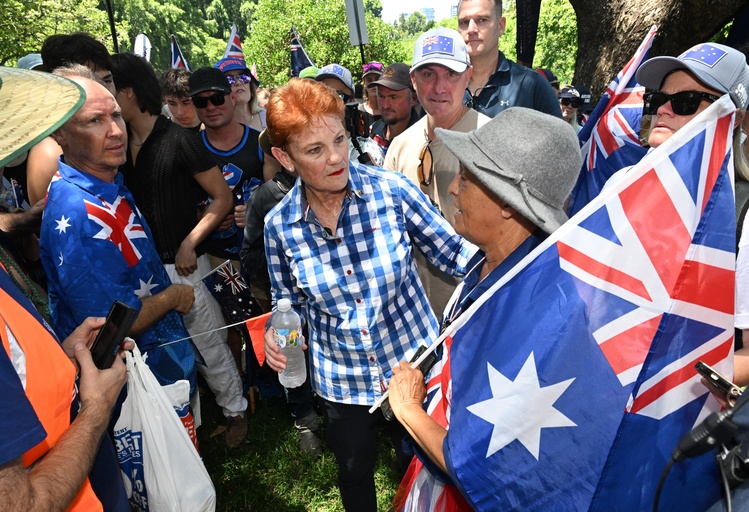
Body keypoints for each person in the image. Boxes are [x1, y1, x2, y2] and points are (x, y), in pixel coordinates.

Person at [261, 78, 476, 512]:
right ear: (285, 158)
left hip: (413, 363)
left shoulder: (392, 192)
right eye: (315, 149)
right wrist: (277, 334)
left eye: (339, 139)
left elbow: (457, 254)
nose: (336, 157)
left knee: (422, 467)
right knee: (354, 471)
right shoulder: (279, 228)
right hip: (342, 381)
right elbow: (288, 303)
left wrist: (516, 260)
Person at [387, 107, 582, 510]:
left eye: (466, 177)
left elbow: (476, 466)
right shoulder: (489, 262)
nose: (452, 188)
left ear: (509, 203)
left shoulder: (529, 317)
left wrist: (407, 409)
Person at [0, 66, 131, 512]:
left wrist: (62, 355)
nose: (115, 131)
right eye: (94, 120)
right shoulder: (72, 206)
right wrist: (95, 411)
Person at [111, 53, 249, 448]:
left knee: (208, 343)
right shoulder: (117, 148)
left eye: (109, 86)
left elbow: (222, 197)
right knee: (160, 351)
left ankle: (235, 411)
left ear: (129, 92)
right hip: (141, 272)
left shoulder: (181, 140)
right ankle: (182, 424)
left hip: (184, 266)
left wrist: (190, 242)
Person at [39, 66, 197, 397]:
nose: (116, 131)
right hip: (134, 384)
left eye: (115, 115)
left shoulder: (106, 181)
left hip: (162, 363)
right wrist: (173, 296)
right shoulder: (78, 214)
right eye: (94, 121)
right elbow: (111, 322)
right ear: (59, 133)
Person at [385, 27, 490, 317]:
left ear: (468, 76)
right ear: (413, 80)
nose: (439, 87)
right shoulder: (399, 147)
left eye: (451, 74)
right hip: (414, 314)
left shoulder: (491, 140)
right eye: (428, 74)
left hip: (475, 309)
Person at [26, 33, 116, 206]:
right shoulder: (51, 152)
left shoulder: (115, 134)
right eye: (92, 83)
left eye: (108, 80)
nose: (104, 90)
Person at [458, 0, 561, 118]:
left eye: (482, 20)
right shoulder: (445, 84)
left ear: (500, 26)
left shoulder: (532, 85)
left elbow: (558, 130)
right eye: (464, 22)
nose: (471, 29)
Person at [368, 63, 421, 156]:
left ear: (413, 99)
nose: (385, 105)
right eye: (381, 96)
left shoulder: (422, 140)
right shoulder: (373, 130)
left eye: (394, 97)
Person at [215, 56, 265, 131]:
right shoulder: (215, 126)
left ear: (251, 86)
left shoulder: (269, 118)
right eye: (229, 79)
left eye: (243, 77)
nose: (238, 82)